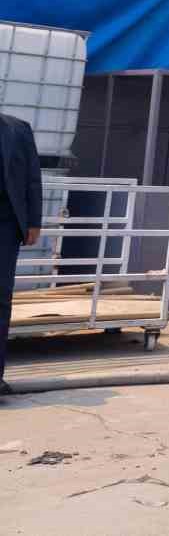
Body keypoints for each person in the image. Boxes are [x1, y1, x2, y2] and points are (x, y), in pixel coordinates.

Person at [0, 111, 42, 400]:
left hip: (5, 226)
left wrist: (33, 221)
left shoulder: (17, 129)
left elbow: (32, 178)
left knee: (1, 301)